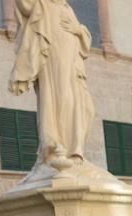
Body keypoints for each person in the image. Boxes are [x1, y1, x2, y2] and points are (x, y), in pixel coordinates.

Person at [9, 0, 95, 168]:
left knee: (87, 108)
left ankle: (75, 149)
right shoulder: (43, 5)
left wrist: (79, 31)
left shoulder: (66, 7)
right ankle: (60, 148)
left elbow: (82, 36)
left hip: (74, 67)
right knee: (61, 100)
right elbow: (24, 4)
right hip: (55, 61)